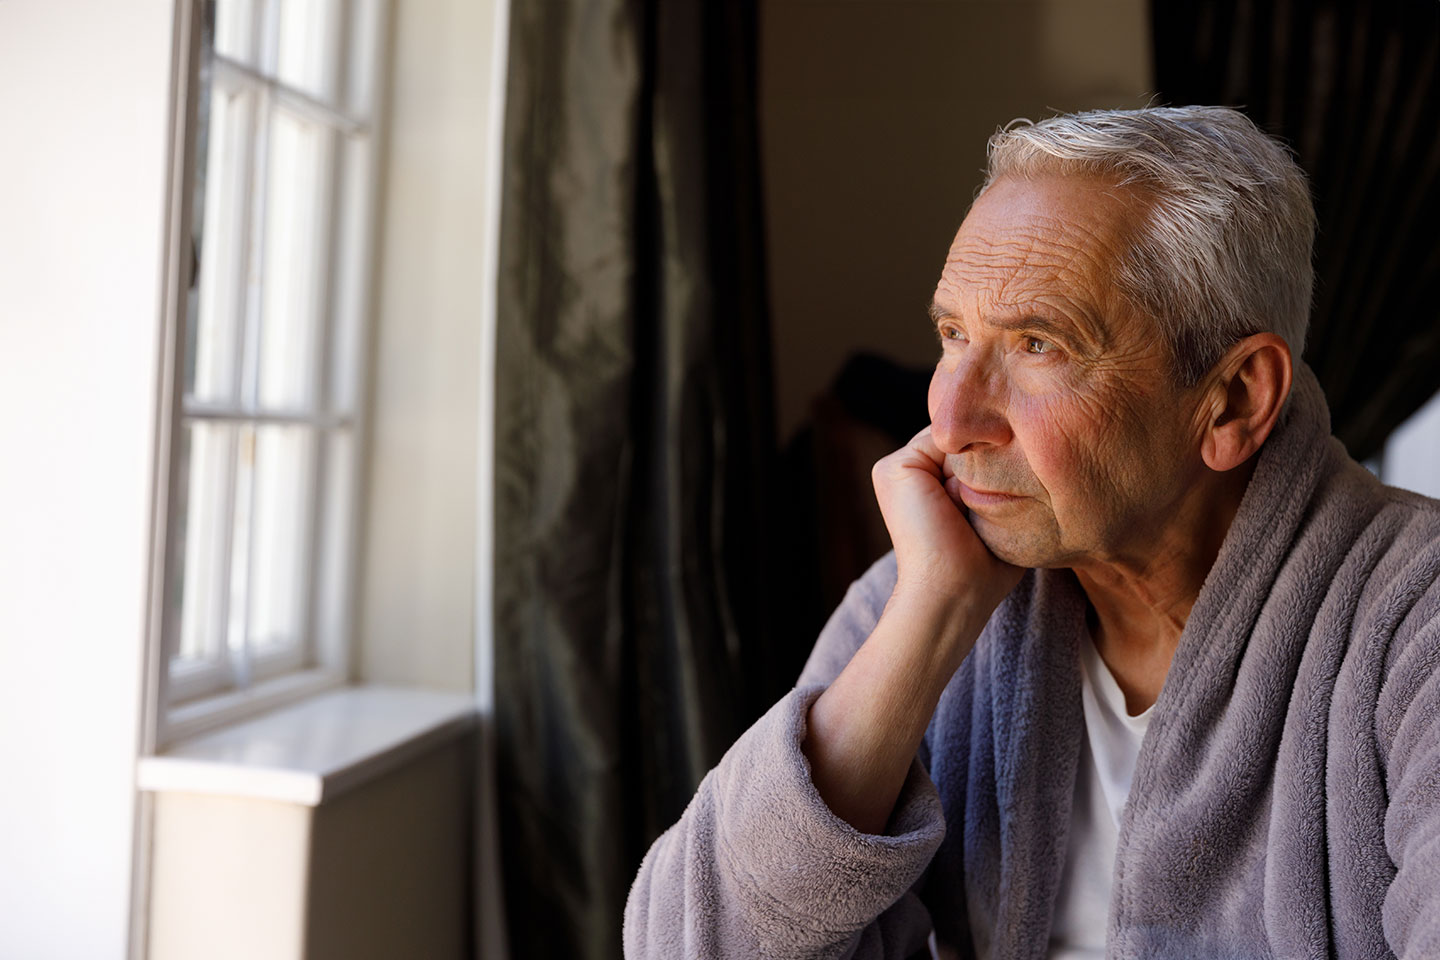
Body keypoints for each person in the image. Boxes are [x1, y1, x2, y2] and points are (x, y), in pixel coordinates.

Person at [622, 106, 1440, 959]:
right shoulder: (924, 598)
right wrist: (929, 616)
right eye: (952, 335)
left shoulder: (1413, 626)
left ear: (1232, 399)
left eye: (1039, 343)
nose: (947, 413)